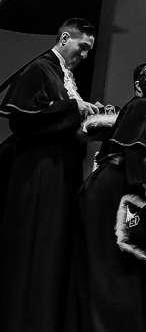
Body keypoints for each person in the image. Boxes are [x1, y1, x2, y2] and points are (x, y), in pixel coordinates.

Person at [0, 18, 99, 332]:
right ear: (65, 38)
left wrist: (86, 113)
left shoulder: (63, 75)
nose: (84, 55)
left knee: (54, 246)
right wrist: (75, 110)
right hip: (40, 170)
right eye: (82, 47)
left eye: (89, 51)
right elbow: (22, 118)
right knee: (37, 243)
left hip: (61, 168)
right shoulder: (40, 68)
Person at [72, 60, 146, 332]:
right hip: (112, 188)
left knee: (122, 269)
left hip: (118, 187)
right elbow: (134, 145)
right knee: (111, 270)